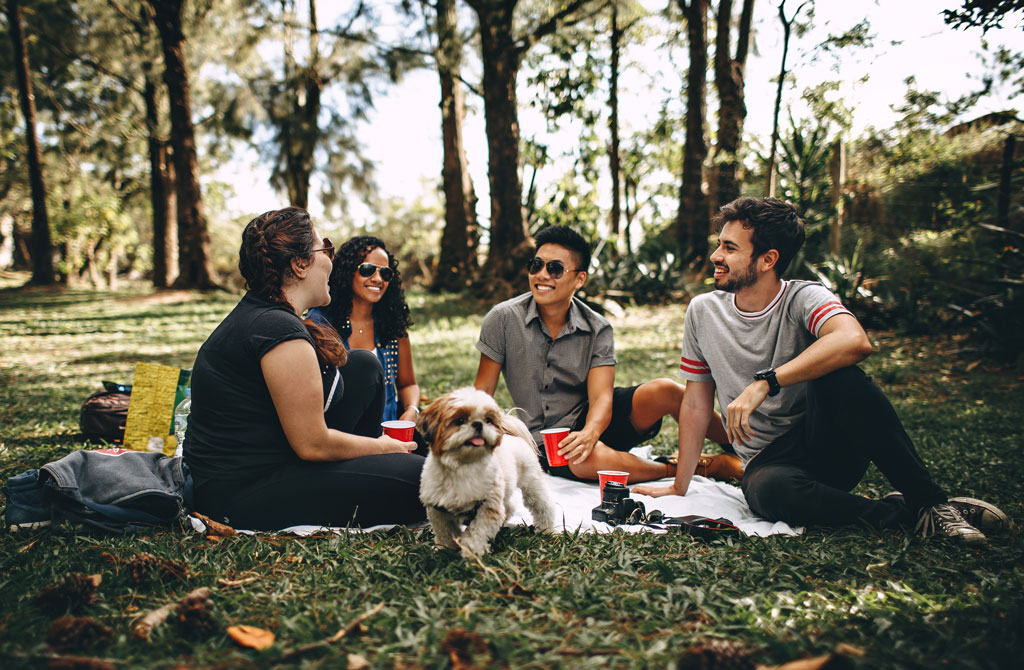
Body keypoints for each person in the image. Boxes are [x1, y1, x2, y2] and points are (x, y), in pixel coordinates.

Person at [634, 197, 1008, 545]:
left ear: (768, 259)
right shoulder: (703, 311)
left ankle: (932, 502)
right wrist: (679, 486)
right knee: (769, 493)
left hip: (828, 443)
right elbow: (697, 403)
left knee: (842, 376)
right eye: (720, 243)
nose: (716, 255)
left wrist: (767, 382)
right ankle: (908, 514)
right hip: (769, 464)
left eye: (730, 248)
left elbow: (854, 341)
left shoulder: (804, 297)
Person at [184, 208, 426, 531]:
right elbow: (312, 444)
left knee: (364, 366)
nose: (331, 260)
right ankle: (383, 465)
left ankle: (377, 466)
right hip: (242, 491)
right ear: (299, 265)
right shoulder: (276, 330)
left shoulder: (269, 314)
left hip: (276, 456)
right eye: (324, 248)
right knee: (422, 480)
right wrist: (384, 446)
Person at [474, 224, 738, 484]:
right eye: (536, 265)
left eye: (554, 269)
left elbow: (601, 397)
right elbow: (482, 391)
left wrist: (590, 432)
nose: (542, 275)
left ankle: (741, 445)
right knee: (583, 459)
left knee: (666, 390)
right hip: (545, 441)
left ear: (579, 279)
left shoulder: (597, 327)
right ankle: (693, 468)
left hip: (594, 419)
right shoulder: (503, 319)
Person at [309, 236, 420, 423]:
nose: (377, 279)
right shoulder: (320, 323)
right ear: (347, 272)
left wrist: (411, 410)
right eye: (367, 270)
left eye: (385, 273)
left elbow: (408, 384)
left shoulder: (392, 324)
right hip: (340, 436)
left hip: (389, 435)